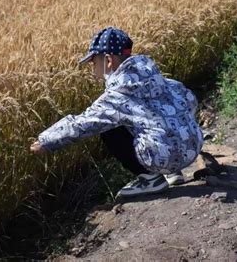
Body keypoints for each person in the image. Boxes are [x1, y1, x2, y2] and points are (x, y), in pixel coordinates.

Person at [30, 27, 203, 197]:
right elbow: (190, 101)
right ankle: (173, 172)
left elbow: (82, 123)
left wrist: (45, 141)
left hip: (162, 158)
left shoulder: (118, 95)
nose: (92, 67)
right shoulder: (163, 81)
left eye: (93, 61)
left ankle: (151, 179)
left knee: (108, 128)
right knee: (161, 114)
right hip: (192, 148)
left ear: (108, 60)